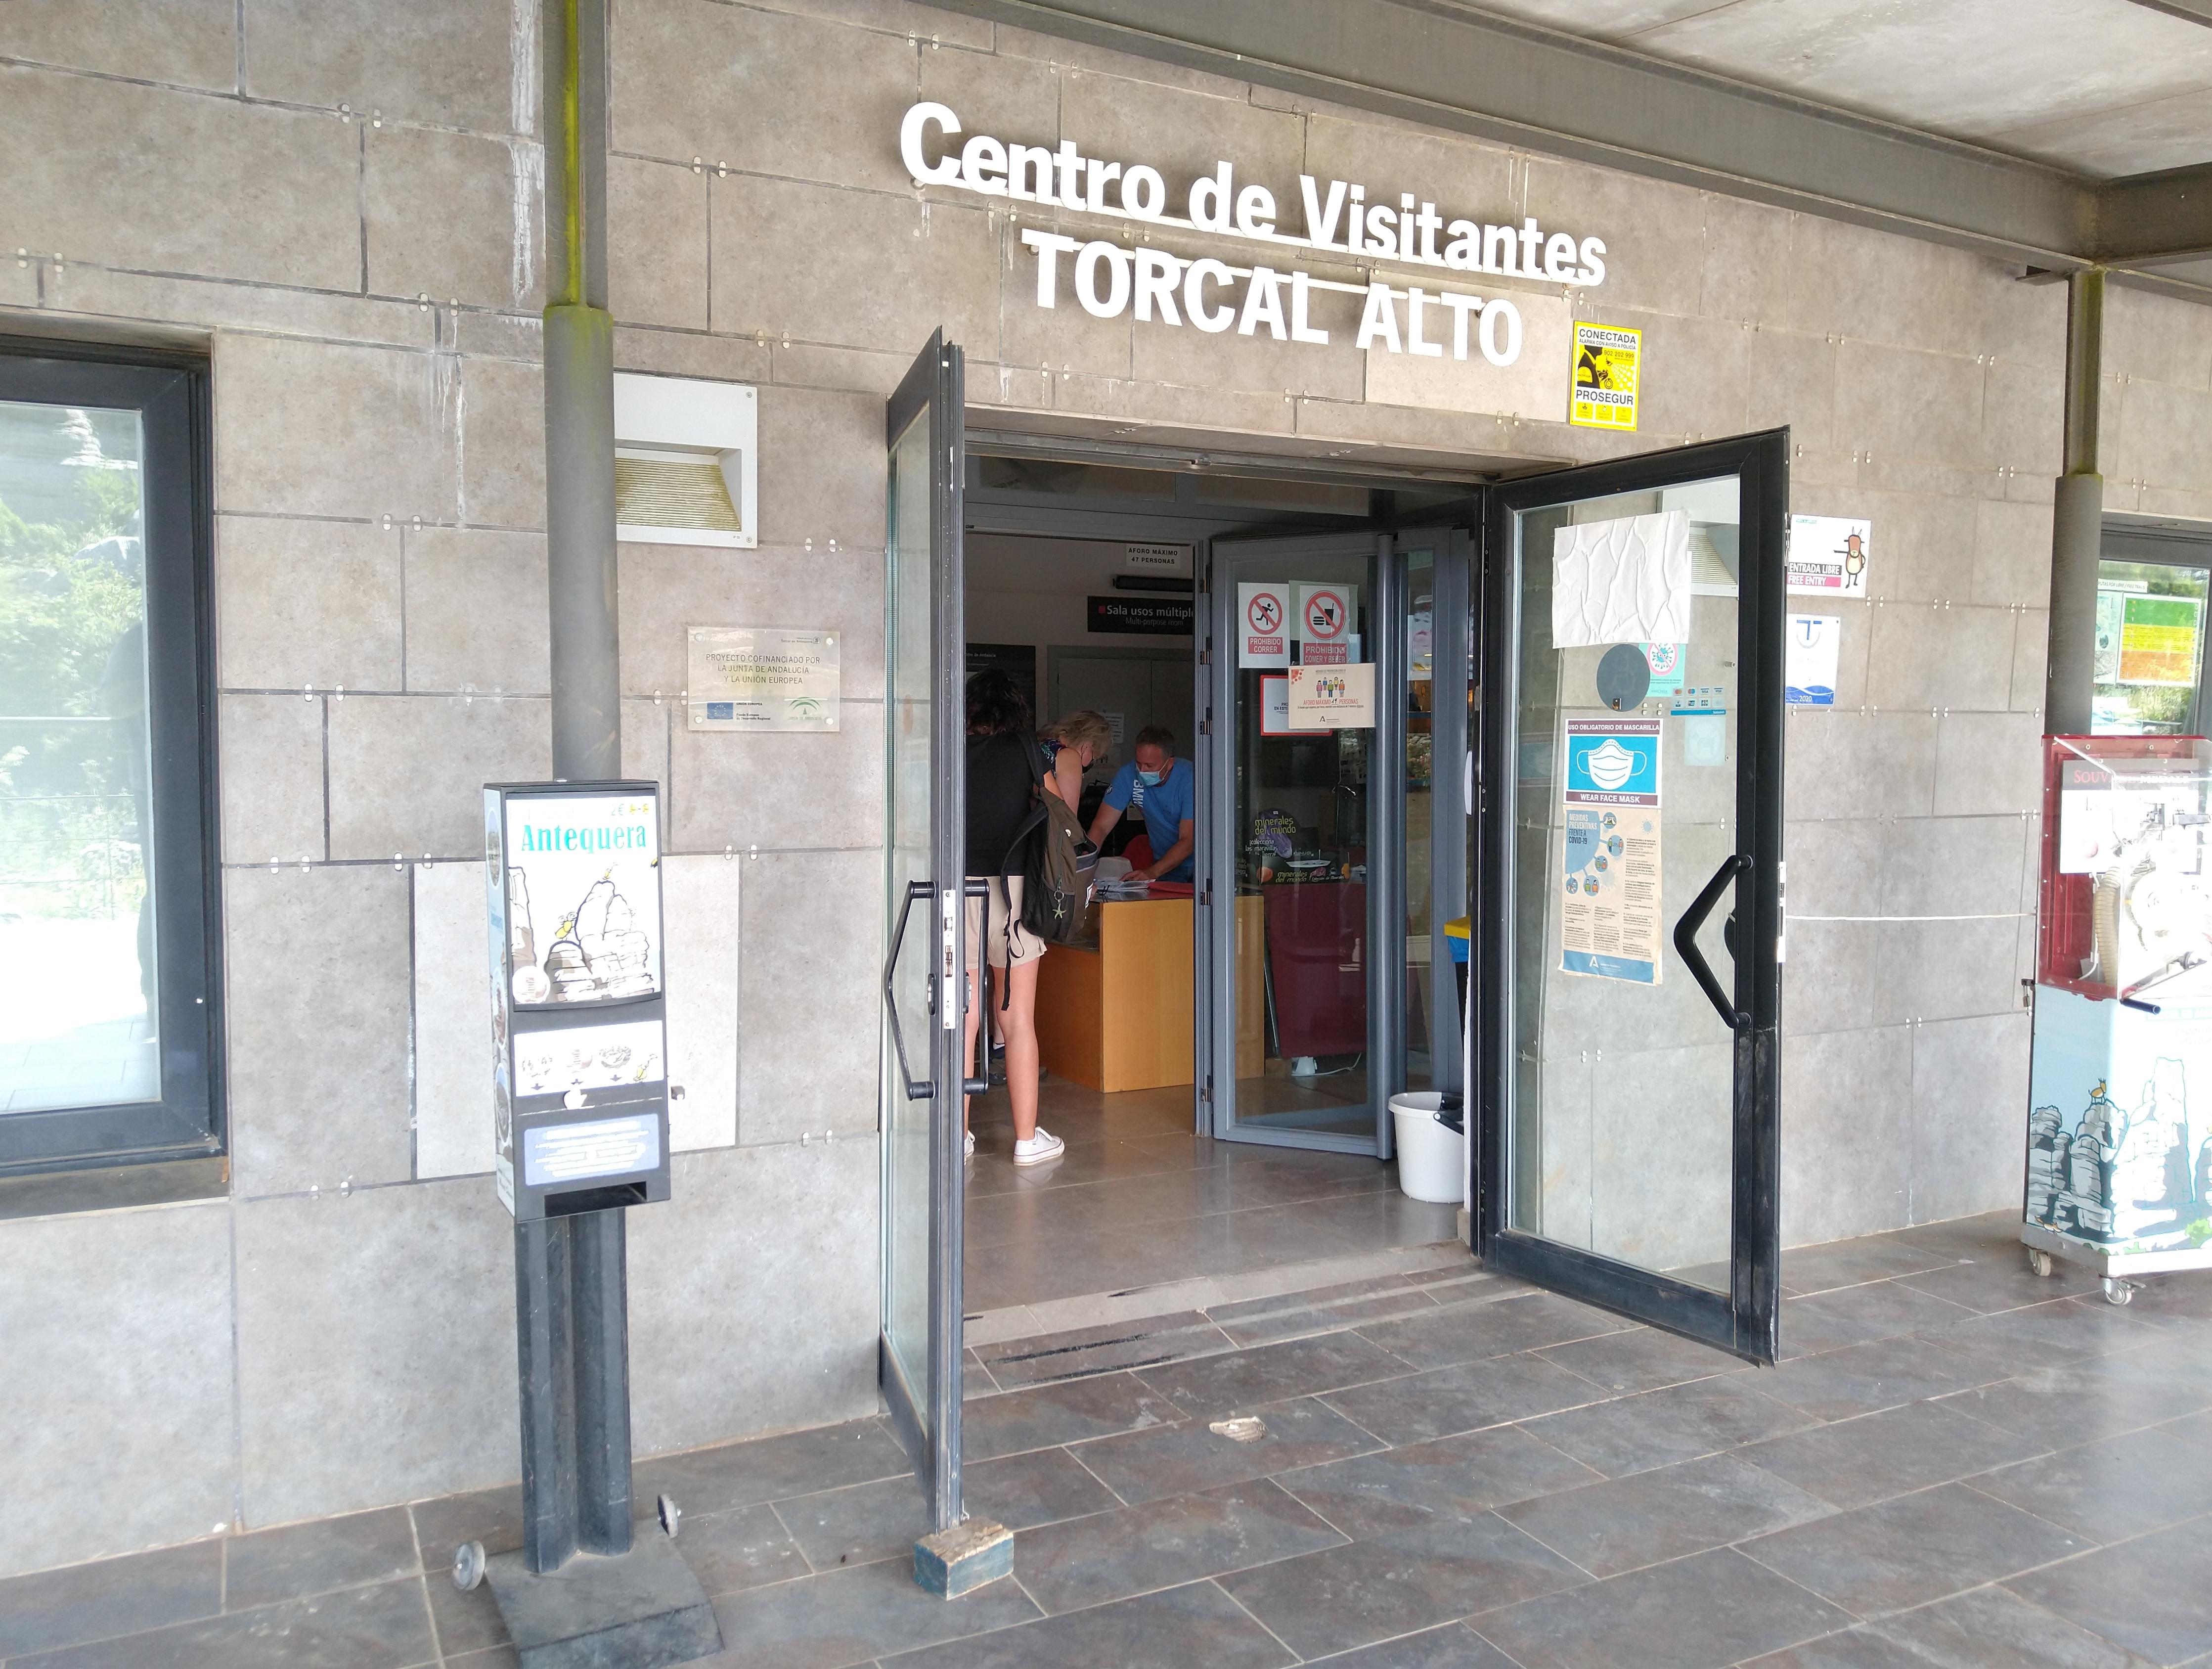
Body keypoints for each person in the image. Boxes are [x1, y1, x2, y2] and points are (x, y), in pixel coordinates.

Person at [962, 670, 1064, 1167]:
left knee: (961, 1016)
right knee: (1016, 1016)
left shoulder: (949, 749)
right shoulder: (1027, 749)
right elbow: (1059, 808)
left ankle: (956, 1138)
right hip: (1014, 890)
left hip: (955, 889)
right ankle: (1027, 1140)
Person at [1089, 724, 1195, 884]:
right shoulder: (1128, 775)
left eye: (1150, 766)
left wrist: (1152, 872)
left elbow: (1188, 841)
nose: (1142, 771)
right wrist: (1085, 864)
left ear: (1170, 763)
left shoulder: (1190, 778)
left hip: (1201, 863)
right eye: (1139, 763)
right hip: (1163, 862)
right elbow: (1101, 826)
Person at [1039, 709, 1112, 812]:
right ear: (1087, 747)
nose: (1087, 765)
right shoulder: (1069, 757)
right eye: (1094, 758)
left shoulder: (1043, 744)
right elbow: (1068, 818)